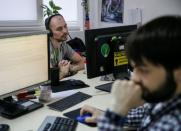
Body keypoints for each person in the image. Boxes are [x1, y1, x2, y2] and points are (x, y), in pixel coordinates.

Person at [80, 15, 181, 130]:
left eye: (144, 70)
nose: (134, 78)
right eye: (134, 68)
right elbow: (145, 113)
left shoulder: (173, 124)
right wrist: (106, 115)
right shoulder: (165, 97)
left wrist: (116, 112)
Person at [45, 14, 84, 79]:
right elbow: (47, 80)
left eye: (65, 26)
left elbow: (83, 61)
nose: (65, 31)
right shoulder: (45, 49)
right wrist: (62, 73)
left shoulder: (63, 44)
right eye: (59, 29)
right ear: (50, 33)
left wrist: (71, 68)